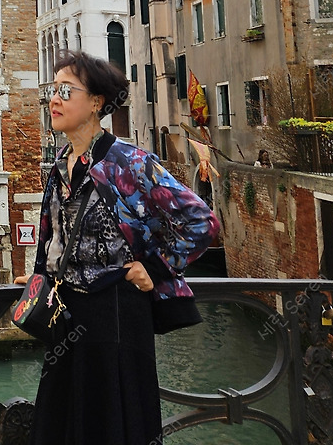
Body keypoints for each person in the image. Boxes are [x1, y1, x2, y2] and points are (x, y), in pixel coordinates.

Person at [18, 51, 218, 445]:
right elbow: (54, 233)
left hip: (116, 313)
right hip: (66, 315)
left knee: (112, 424)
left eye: (65, 91)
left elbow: (201, 221)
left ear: (96, 102)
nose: (54, 99)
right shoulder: (60, 166)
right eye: (53, 91)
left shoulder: (129, 162)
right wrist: (41, 277)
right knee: (62, 423)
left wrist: (155, 268)